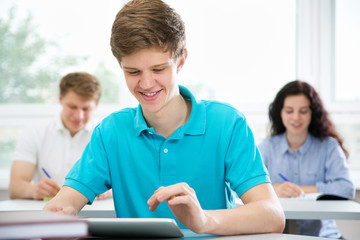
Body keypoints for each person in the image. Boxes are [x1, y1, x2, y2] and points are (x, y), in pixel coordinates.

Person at [44, 0, 284, 235]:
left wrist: (203, 220)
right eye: (133, 72)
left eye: (159, 69)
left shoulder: (227, 124)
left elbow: (272, 215)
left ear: (180, 61)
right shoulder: (111, 132)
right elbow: (66, 200)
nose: (147, 84)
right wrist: (56, 214)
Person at [258, 80, 355, 238]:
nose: (296, 118)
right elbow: (243, 189)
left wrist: (301, 190)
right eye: (289, 111)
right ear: (280, 113)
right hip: (278, 235)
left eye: (303, 111)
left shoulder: (329, 147)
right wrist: (275, 190)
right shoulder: (267, 148)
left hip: (325, 235)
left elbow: (346, 188)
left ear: (312, 113)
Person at [9, 72, 103, 200]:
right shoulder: (34, 133)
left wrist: (109, 191)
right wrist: (34, 190)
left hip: (96, 213)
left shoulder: (105, 135)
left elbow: (128, 182)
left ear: (96, 105)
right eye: (72, 107)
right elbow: (15, 188)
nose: (78, 116)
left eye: (86, 109)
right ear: (60, 99)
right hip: (49, 213)